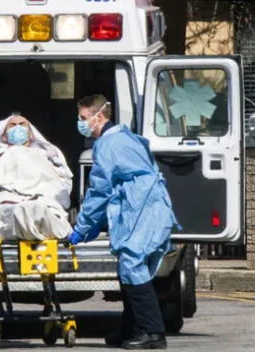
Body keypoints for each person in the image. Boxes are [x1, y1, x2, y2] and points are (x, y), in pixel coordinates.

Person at [66, 94, 180, 350]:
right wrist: (94, 225)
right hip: (148, 206)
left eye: (84, 118)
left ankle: (153, 333)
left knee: (132, 266)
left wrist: (82, 227)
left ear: (99, 116)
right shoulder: (125, 137)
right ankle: (131, 330)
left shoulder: (108, 144)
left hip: (140, 208)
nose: (81, 123)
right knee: (131, 269)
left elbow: (100, 189)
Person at [0, 113, 73, 242]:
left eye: (22, 124)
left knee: (43, 209)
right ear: (3, 135)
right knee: (18, 212)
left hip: (43, 199)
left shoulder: (45, 156)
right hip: (7, 200)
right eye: (12, 125)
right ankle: (32, 216)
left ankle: (38, 216)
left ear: (31, 134)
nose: (18, 128)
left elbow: (58, 185)